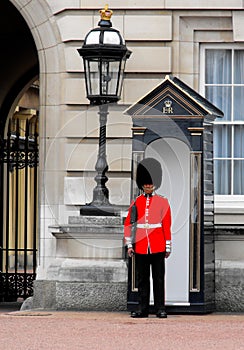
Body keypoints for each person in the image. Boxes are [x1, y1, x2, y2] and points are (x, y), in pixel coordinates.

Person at [124, 157, 172, 318]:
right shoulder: (136, 202)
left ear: (155, 183)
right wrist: (130, 244)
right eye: (145, 183)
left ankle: (160, 308)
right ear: (142, 184)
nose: (148, 186)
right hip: (141, 245)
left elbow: (166, 225)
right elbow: (128, 224)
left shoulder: (162, 202)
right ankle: (142, 308)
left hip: (157, 244)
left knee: (158, 278)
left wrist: (168, 245)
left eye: (150, 183)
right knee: (142, 279)